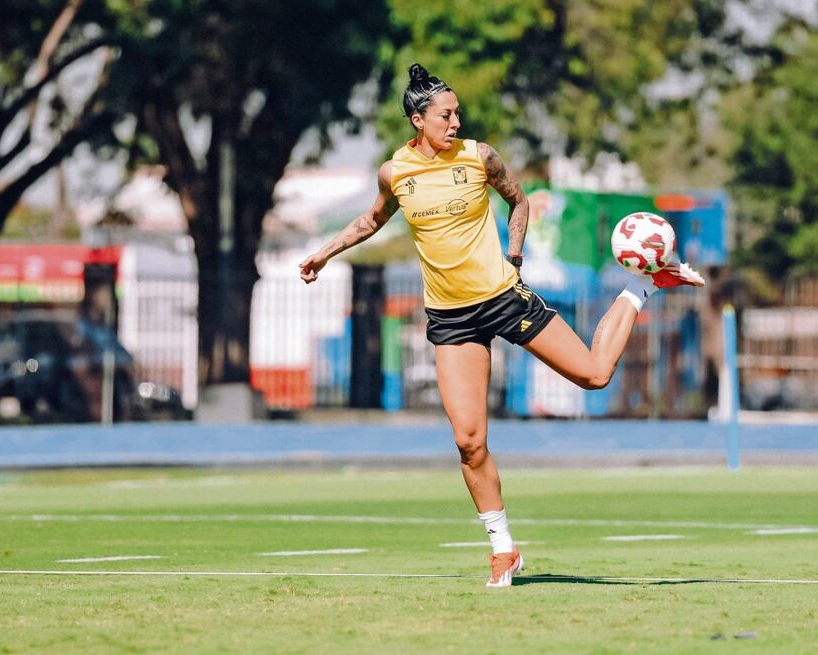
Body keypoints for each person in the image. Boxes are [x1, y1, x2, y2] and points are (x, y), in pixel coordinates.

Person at [300, 64, 704, 588]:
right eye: (446, 115)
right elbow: (372, 219)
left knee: (594, 375)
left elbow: (519, 199)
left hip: (502, 298)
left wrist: (514, 254)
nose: (456, 122)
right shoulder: (394, 173)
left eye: (457, 114)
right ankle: (503, 549)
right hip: (450, 318)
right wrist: (324, 253)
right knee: (469, 441)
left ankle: (644, 285)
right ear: (418, 120)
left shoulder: (479, 157)